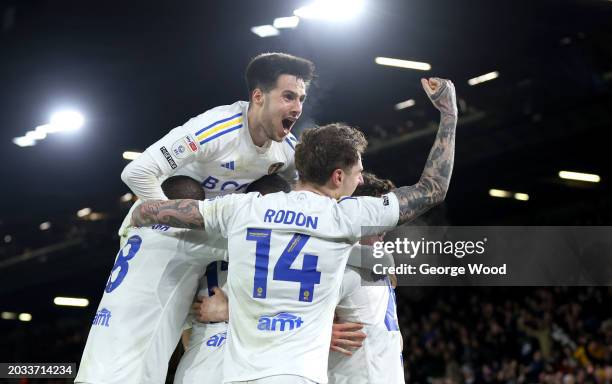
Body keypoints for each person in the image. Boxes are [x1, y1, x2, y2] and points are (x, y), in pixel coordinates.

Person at [131, 77, 457, 384]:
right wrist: (448, 112)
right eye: (357, 172)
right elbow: (433, 187)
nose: (361, 180)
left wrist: (146, 213)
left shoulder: (244, 209)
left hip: (238, 373)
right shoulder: (345, 217)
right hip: (298, 374)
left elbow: (164, 210)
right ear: (338, 177)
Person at [75, 176, 227, 384]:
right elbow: (256, 238)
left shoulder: (132, 228)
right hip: (128, 375)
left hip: (92, 370)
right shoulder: (185, 236)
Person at [120, 52, 316, 201]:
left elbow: (302, 190)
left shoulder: (288, 148)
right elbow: (136, 172)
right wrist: (168, 216)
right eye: (288, 97)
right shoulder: (213, 129)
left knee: (275, 188)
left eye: (301, 99)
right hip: (179, 223)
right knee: (186, 190)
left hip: (226, 227)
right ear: (258, 97)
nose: (298, 108)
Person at [174, 174, 292, 384]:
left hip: (205, 365)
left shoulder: (206, 243)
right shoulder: (289, 248)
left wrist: (230, 311)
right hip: (237, 363)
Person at [328, 172, 405, 384]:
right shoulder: (337, 267)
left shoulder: (377, 265)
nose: (385, 229)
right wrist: (319, 332)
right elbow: (290, 312)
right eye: (379, 218)